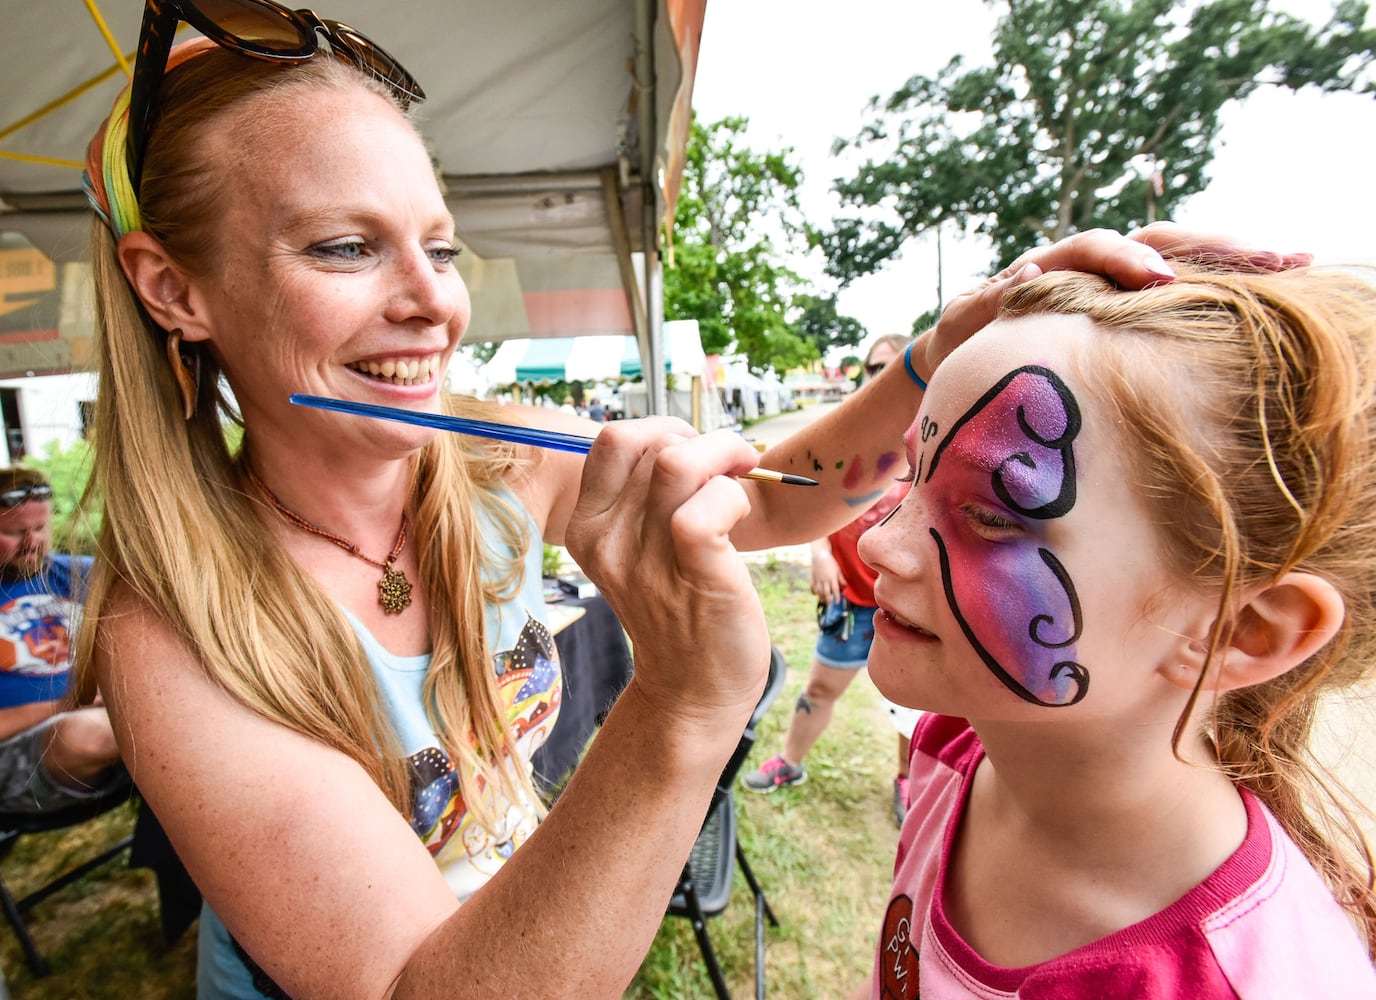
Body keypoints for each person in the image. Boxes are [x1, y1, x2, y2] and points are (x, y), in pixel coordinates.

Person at [73, 3, 1250, 995]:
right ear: (175, 287)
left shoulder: (491, 458)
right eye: (343, 248)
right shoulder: (169, 634)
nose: (432, 303)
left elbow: (774, 502)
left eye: (439, 245)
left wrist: (930, 358)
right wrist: (682, 707)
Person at [853, 263, 1376, 996]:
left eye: (993, 514)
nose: (879, 544)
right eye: (913, 475)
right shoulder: (954, 746)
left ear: (1241, 631)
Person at [743, 334, 919, 826]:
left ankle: (908, 779)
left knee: (914, 710)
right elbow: (807, 500)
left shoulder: (938, 434)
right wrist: (820, 552)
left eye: (895, 366)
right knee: (819, 688)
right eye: (875, 368)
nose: (882, 376)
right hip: (851, 604)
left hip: (905, 605)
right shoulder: (850, 433)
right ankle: (790, 762)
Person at [0, 467, 127, 815]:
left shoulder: (79, 574)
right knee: (87, 734)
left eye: (40, 528)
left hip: (115, 723)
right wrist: (71, 702)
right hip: (22, 756)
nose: (33, 542)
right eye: (14, 532)